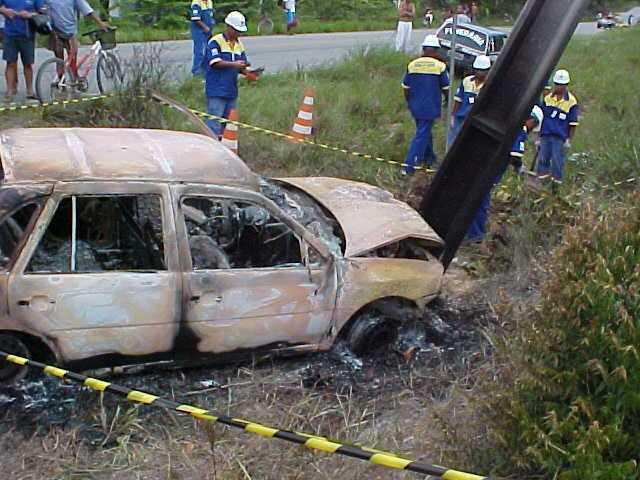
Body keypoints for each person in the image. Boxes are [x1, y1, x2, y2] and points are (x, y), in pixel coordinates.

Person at [467, 106, 543, 242]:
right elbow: (515, 156)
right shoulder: (521, 130)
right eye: (534, 125)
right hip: (489, 171)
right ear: (531, 120)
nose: (532, 129)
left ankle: (471, 233)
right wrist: (521, 170)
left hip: (481, 165)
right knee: (481, 202)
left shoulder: (508, 124)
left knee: (475, 200)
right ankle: (475, 236)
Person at [401, 34, 449, 175]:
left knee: (424, 131)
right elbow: (446, 88)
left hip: (415, 106)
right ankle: (409, 166)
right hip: (430, 107)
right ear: (435, 50)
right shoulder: (440, 66)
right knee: (422, 135)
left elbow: (406, 87)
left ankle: (429, 159)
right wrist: (447, 101)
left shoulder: (413, 64)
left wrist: (409, 102)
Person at [205, 11, 250, 138]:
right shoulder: (215, 41)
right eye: (236, 30)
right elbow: (215, 63)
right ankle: (212, 148)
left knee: (228, 125)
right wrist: (235, 64)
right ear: (229, 27)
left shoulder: (238, 44)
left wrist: (248, 72)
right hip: (216, 90)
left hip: (231, 90)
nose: (238, 33)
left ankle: (225, 149)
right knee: (214, 124)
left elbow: (241, 64)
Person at [46, 0, 109, 79]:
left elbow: (87, 10)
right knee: (69, 57)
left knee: (62, 59)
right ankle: (71, 79)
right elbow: (88, 11)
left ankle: (64, 80)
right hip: (65, 31)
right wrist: (101, 23)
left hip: (57, 31)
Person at [536, 69, 579, 181]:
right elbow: (542, 117)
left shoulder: (571, 102)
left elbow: (573, 124)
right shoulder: (547, 99)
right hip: (546, 134)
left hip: (559, 137)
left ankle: (556, 184)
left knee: (557, 161)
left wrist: (569, 140)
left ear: (566, 85)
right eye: (557, 84)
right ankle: (541, 182)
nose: (559, 87)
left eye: (561, 85)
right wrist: (538, 136)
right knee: (543, 159)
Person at [0, 0, 45, 102]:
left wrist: (30, 15)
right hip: (10, 34)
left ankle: (30, 91)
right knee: (10, 63)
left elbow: (42, 11)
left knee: (28, 64)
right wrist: (5, 11)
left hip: (28, 34)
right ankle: (10, 90)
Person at [447, 54, 490, 148]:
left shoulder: (489, 85)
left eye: (483, 71)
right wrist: (453, 115)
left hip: (477, 121)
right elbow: (458, 99)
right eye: (478, 70)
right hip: (461, 117)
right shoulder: (466, 81)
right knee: (453, 141)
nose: (480, 73)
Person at [190, 0, 214, 77]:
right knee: (200, 51)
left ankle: (204, 71)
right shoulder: (196, 2)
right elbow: (196, 18)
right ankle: (196, 71)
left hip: (208, 31)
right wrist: (205, 27)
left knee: (208, 51)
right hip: (198, 31)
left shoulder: (209, 2)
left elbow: (210, 15)